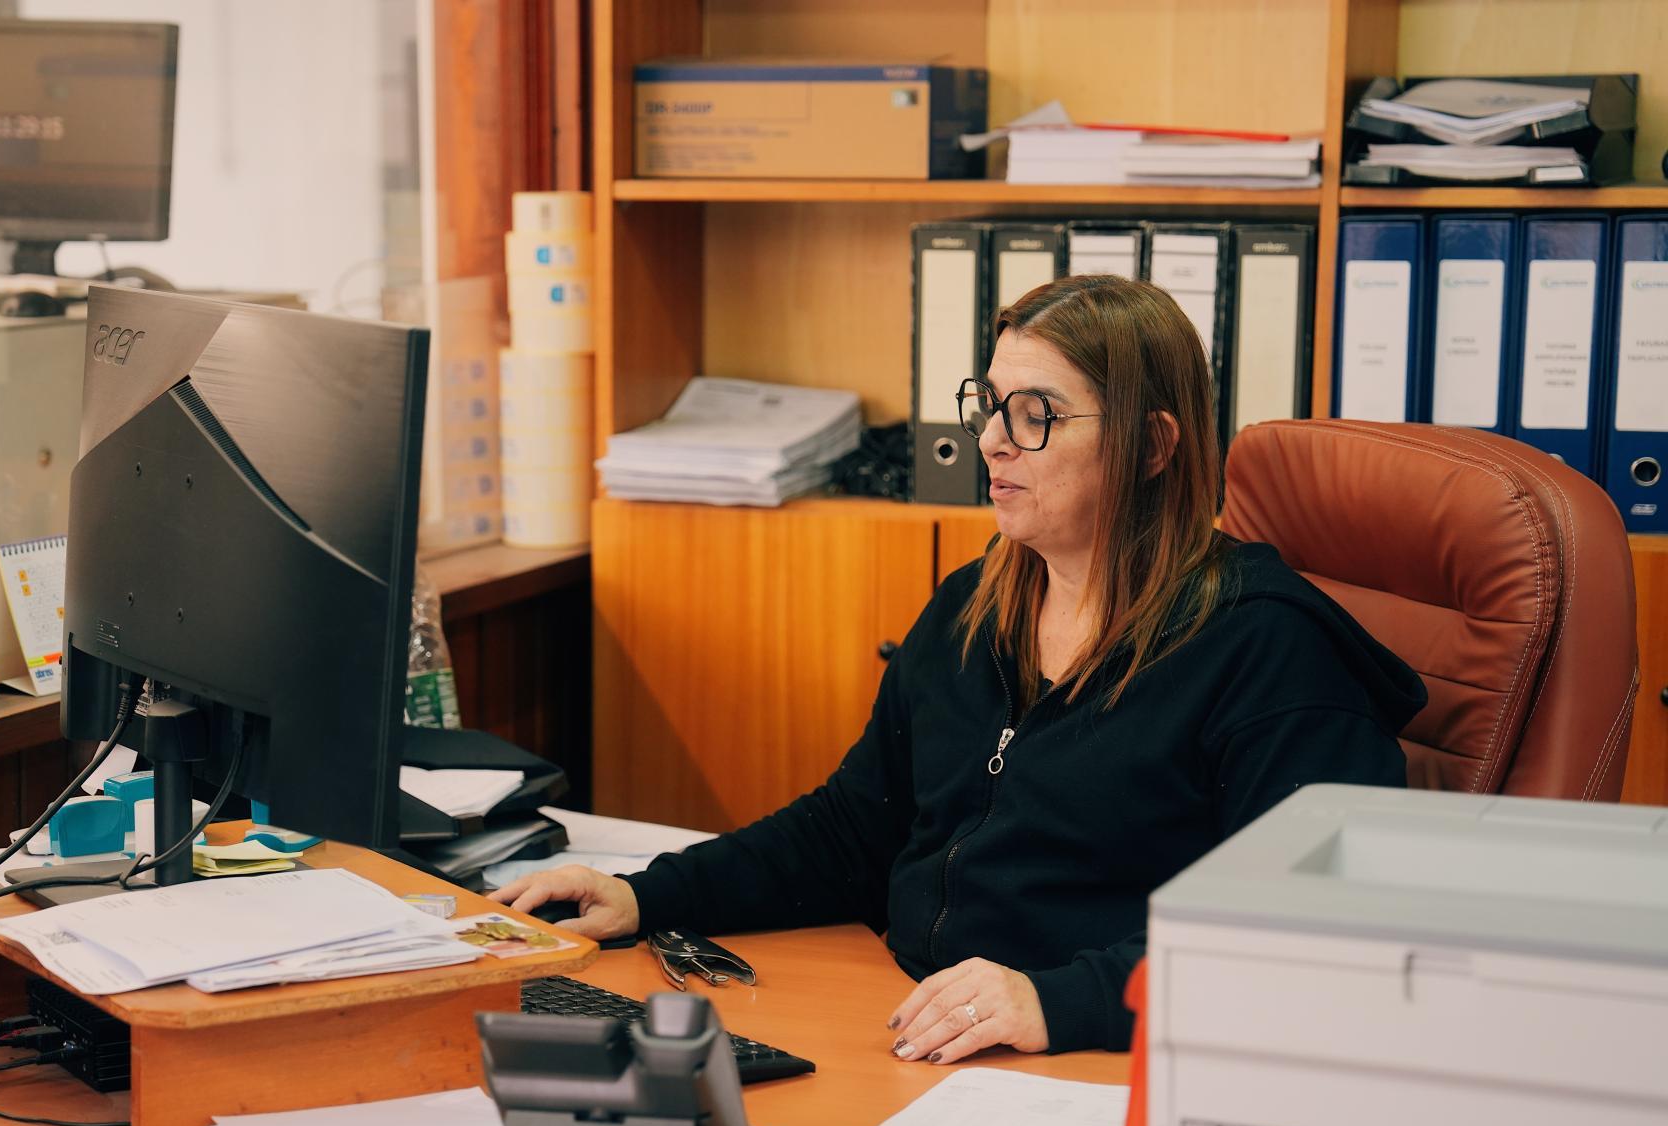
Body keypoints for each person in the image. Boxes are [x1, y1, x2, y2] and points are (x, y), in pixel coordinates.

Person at [491, 275, 1426, 1061]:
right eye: (989, 405)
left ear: (1151, 445)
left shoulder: (1266, 651)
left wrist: (1058, 1002)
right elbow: (854, 829)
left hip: (1093, 1062)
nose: (992, 441)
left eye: (1037, 415)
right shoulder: (976, 605)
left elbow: (1302, 937)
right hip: (915, 1022)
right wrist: (648, 894)